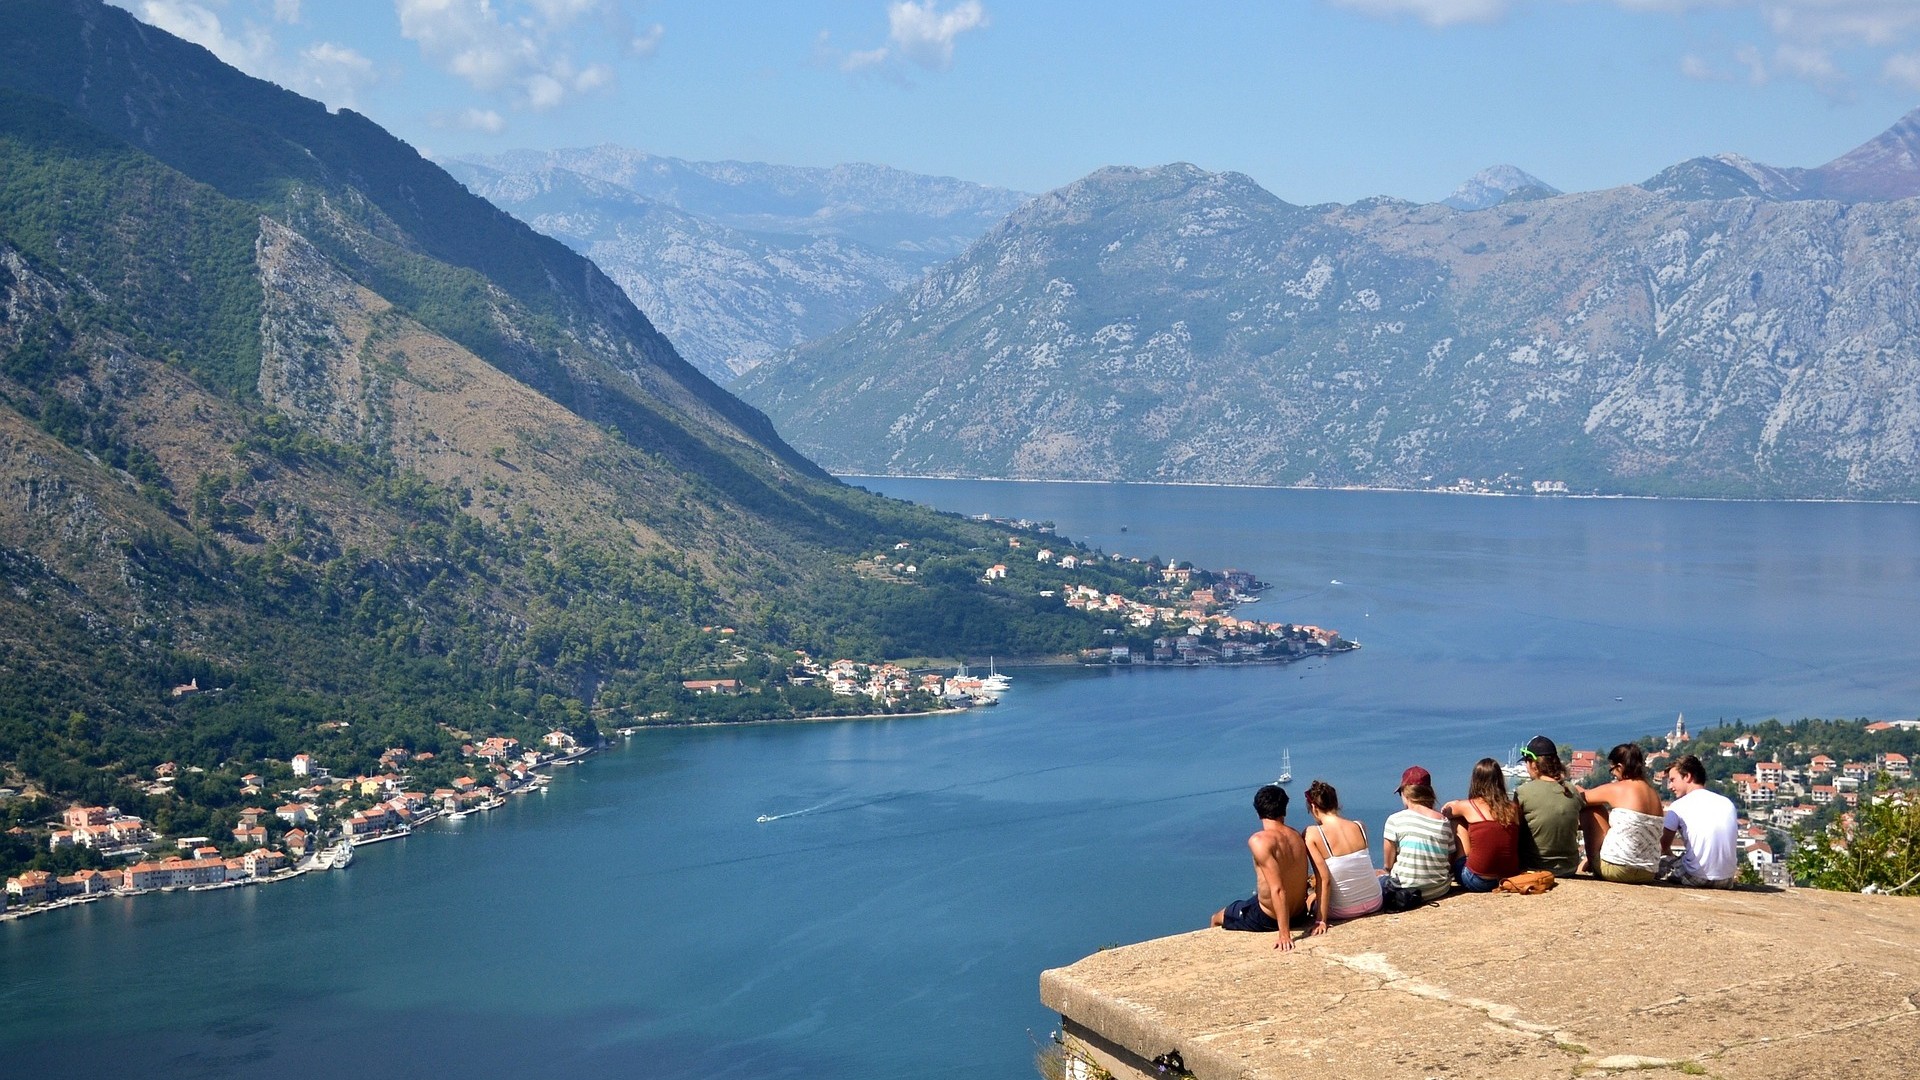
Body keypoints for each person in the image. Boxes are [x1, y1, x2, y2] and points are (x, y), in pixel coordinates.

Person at [1211, 784, 1321, 950]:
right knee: (1246, 903)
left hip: (1268, 917)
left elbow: (1278, 889)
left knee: (1216, 918)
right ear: (1284, 810)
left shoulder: (1259, 841)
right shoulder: (1296, 835)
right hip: (1299, 913)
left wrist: (1284, 934)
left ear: (1258, 812)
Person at [1579, 743, 1664, 883]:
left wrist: (1575, 788)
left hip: (1617, 870)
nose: (1613, 774)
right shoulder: (1654, 794)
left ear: (1619, 766)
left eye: (1612, 769)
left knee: (1593, 809)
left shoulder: (1619, 788)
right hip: (1647, 873)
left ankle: (1593, 863)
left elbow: (1581, 798)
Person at [1302, 780, 1382, 921]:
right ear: (1336, 803)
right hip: (1375, 902)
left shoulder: (1312, 834)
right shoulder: (1359, 826)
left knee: (1310, 899)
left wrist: (1321, 920)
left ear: (1314, 807)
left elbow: (1324, 879)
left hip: (1343, 910)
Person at [1660, 755, 1739, 888]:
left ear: (1687, 776)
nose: (1670, 786)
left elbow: (1663, 847)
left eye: (1673, 780)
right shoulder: (1727, 802)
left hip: (1695, 876)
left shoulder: (1678, 806)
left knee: (1659, 862)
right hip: (1726, 879)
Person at [1441, 758, 1520, 891]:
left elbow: (1446, 811)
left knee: (1457, 821)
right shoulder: (1512, 807)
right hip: (1508, 877)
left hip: (1478, 880)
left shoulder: (1469, 806)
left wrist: (1457, 802)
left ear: (1476, 780)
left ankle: (1452, 866)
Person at [1381, 765, 1455, 902]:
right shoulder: (1443, 821)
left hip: (1405, 890)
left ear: (1406, 793)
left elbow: (1388, 865)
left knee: (1379, 880)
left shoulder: (1395, 820)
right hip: (1439, 889)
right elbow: (1449, 859)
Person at [1513, 734, 1583, 876]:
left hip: (1534, 866)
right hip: (1569, 867)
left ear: (1534, 764)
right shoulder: (1572, 789)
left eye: (1526, 761)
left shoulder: (1523, 792)